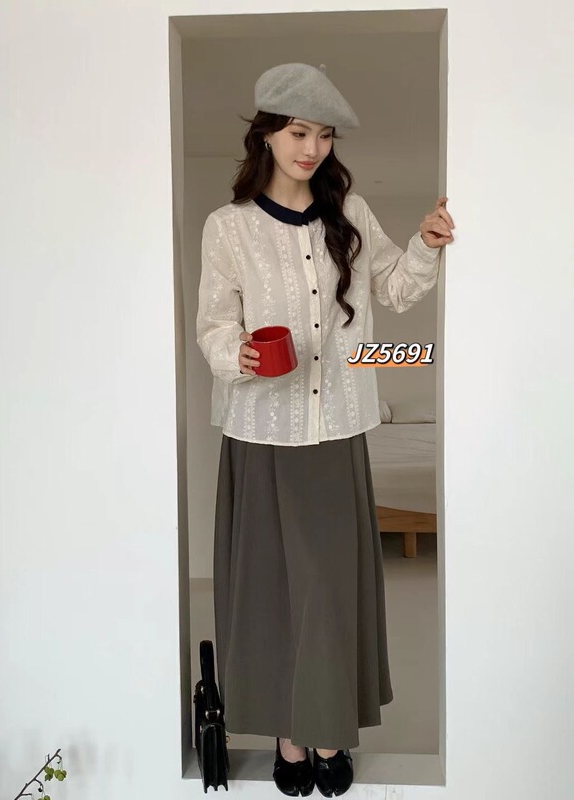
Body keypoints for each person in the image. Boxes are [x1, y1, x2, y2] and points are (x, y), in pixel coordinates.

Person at [196, 62, 455, 797]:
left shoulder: (351, 213)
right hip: (261, 435)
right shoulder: (229, 227)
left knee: (331, 592)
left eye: (324, 135)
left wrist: (427, 244)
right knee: (273, 594)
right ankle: (289, 733)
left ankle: (330, 727)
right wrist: (238, 354)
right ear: (267, 136)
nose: (312, 148)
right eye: (298, 132)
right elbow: (213, 323)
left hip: (337, 430)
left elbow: (395, 288)